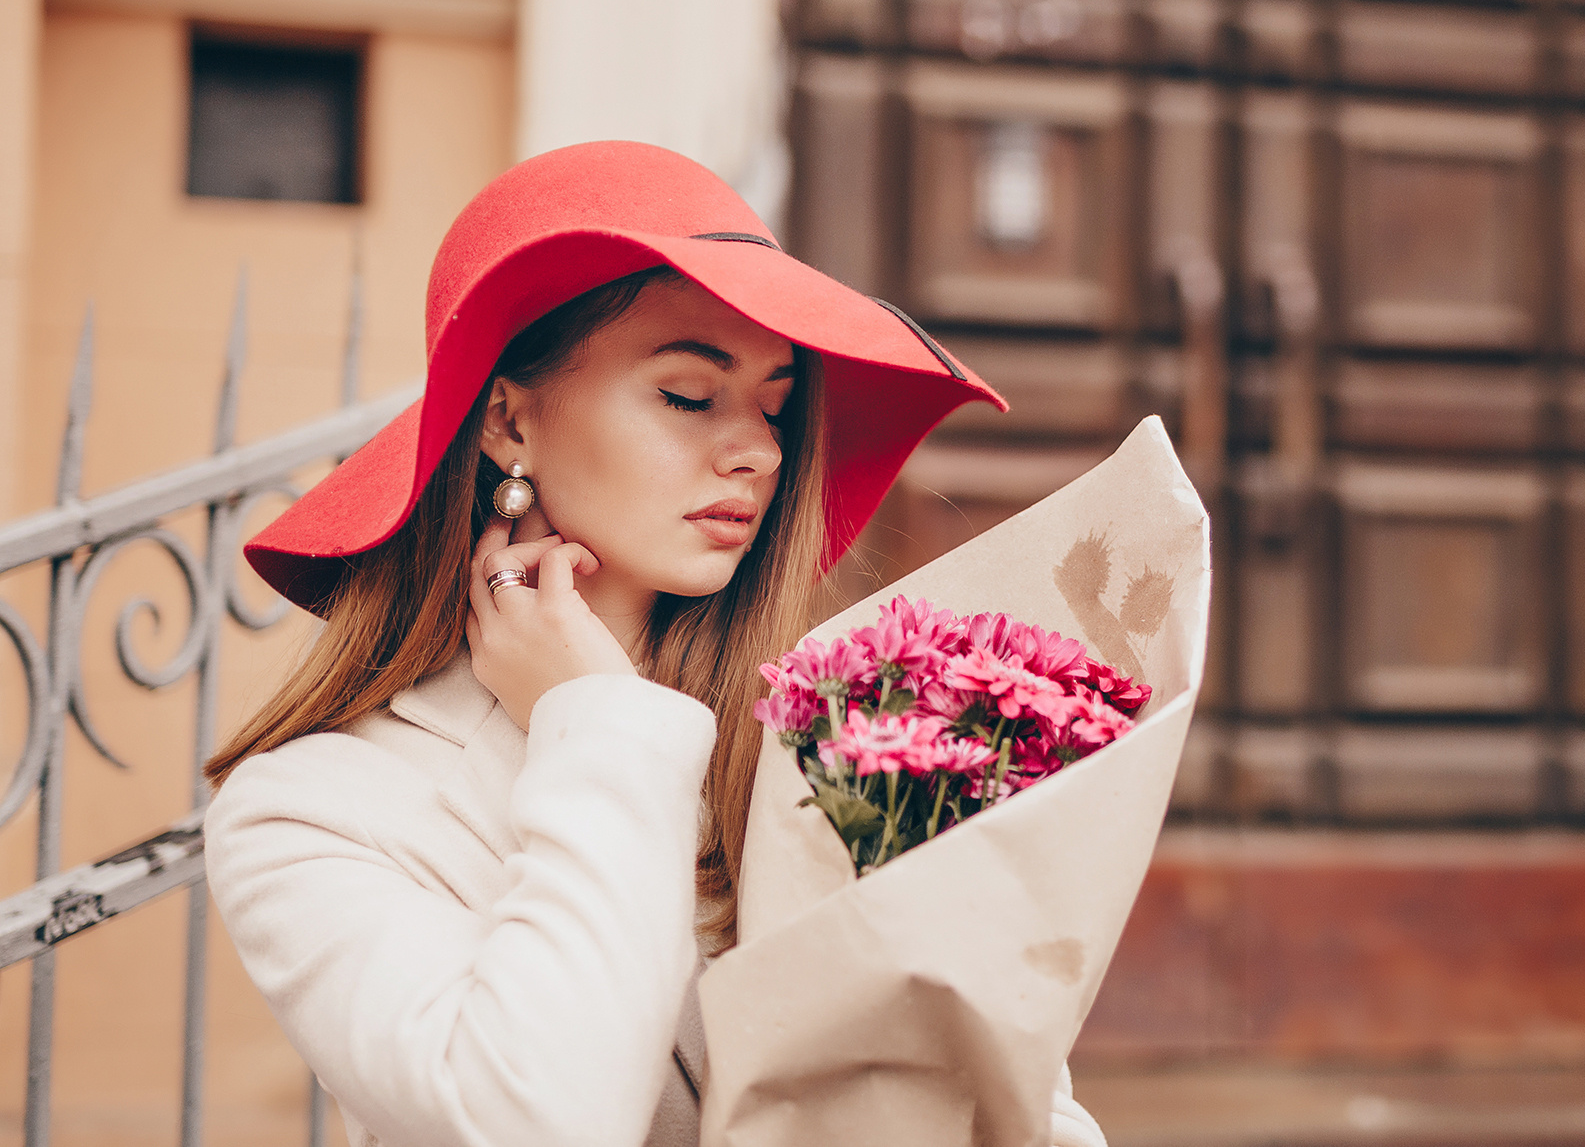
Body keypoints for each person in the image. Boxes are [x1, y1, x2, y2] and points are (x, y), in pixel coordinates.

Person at [202, 142, 1110, 1147]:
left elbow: (1021, 1102)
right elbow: (539, 1120)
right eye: (688, 395)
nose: (759, 449)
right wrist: (589, 719)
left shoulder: (847, 753)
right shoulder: (316, 811)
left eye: (774, 404)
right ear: (507, 419)